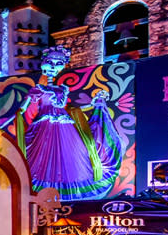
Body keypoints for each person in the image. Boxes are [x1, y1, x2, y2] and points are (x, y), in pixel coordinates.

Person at [14, 46, 120, 200]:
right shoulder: (39, 89)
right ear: (43, 63)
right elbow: (24, 108)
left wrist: (95, 103)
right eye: (50, 62)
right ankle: (46, 192)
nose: (53, 67)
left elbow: (69, 108)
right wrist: (19, 114)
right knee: (44, 158)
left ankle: (63, 194)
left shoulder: (62, 89)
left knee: (73, 156)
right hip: (45, 126)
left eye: (58, 63)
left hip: (65, 126)